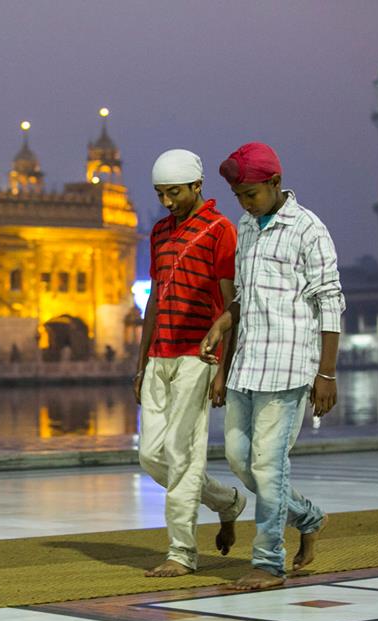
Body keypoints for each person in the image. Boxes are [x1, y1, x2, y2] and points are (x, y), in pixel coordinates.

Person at [201, 141, 345, 590]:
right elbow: (244, 298)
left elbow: (331, 302)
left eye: (251, 194)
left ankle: (268, 562)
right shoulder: (247, 226)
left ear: (276, 184)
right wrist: (222, 325)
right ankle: (309, 518)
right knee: (242, 461)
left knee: (269, 466)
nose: (245, 204)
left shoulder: (308, 229)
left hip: (288, 368)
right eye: (239, 197)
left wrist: (326, 373)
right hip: (248, 363)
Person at [135, 149, 247, 578]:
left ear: (198, 186)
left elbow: (229, 304)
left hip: (197, 356)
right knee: (150, 456)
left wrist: (222, 367)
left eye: (174, 192)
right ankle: (226, 502)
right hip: (160, 354)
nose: (167, 202)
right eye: (161, 193)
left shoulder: (221, 230)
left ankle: (181, 552)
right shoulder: (160, 232)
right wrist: (140, 361)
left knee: (183, 454)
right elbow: (154, 299)